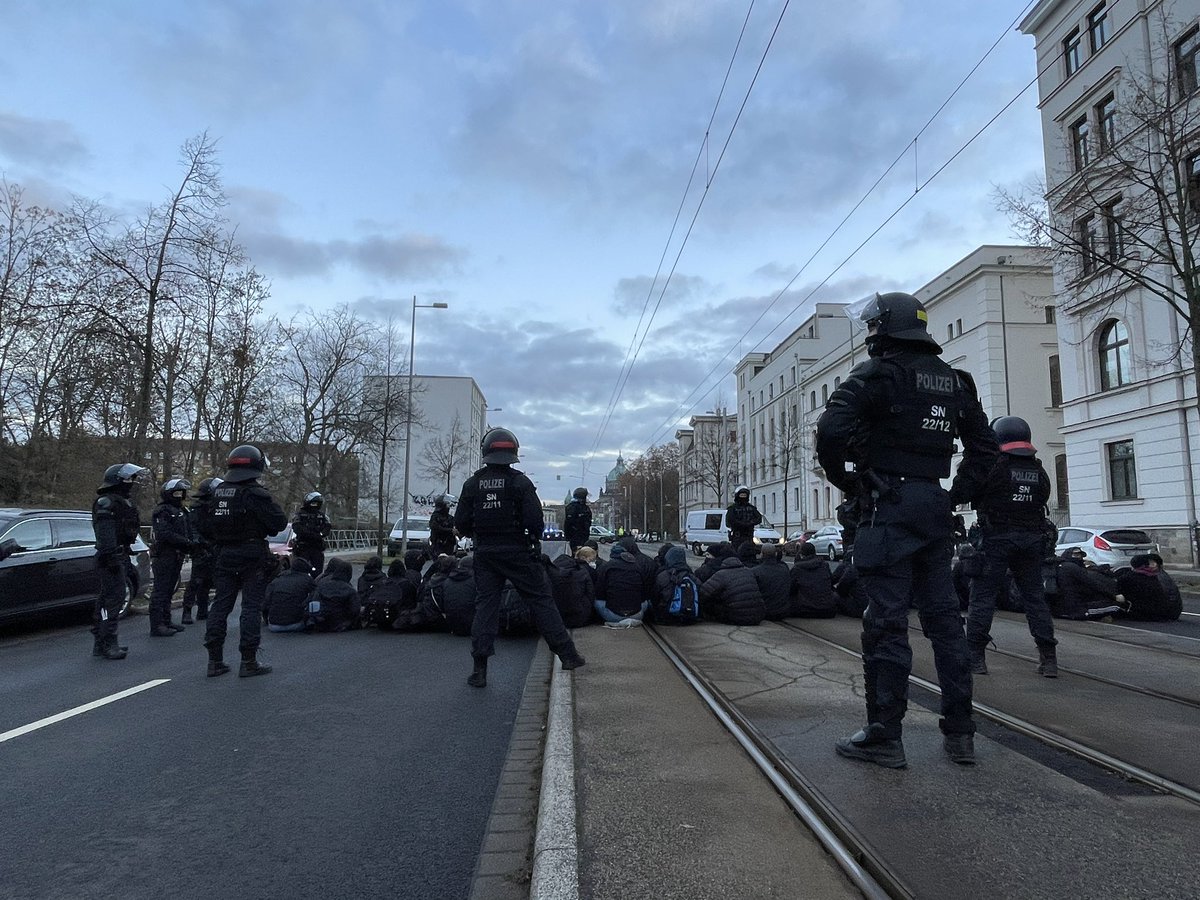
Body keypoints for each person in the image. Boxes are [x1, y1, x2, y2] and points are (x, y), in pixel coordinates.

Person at [816, 291, 998, 768]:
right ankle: (961, 734)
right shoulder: (956, 381)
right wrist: (956, 495)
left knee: (886, 625)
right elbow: (985, 447)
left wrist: (849, 481)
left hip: (887, 508)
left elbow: (831, 431)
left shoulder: (877, 374)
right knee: (945, 623)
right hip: (933, 507)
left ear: (882, 329)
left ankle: (885, 736)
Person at [454, 427, 585, 687]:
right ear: (514, 453)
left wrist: (481, 534)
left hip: (486, 554)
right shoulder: (521, 483)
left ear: (485, 453)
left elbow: (461, 523)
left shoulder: (473, 484)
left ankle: (479, 669)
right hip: (519, 553)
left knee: (486, 607)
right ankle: (568, 655)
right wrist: (527, 538)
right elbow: (535, 522)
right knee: (541, 601)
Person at [961, 416, 1059, 677]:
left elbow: (970, 493)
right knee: (1035, 600)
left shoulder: (993, 467)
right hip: (1031, 541)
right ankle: (1048, 658)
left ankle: (976, 658)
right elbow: (1043, 497)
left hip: (995, 540)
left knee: (982, 598)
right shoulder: (1038, 470)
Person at [199, 444, 287, 678]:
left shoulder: (216, 492)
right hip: (251, 554)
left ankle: (214, 661)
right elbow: (278, 523)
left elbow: (204, 525)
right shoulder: (255, 494)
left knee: (220, 605)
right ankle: (248, 661)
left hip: (224, 554)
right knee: (250, 607)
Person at [90, 463, 149, 660]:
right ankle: (108, 642)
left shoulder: (121, 502)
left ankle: (101, 641)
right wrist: (112, 557)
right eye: (128, 479)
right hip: (110, 557)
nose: (131, 482)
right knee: (112, 601)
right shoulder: (106, 503)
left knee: (109, 599)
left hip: (119, 555)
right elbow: (106, 536)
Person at [146, 477, 195, 636]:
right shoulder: (163, 511)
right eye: (176, 493)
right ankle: (157, 624)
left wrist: (191, 544)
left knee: (170, 589)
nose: (180, 496)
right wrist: (186, 542)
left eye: (181, 492)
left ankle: (166, 620)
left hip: (177, 555)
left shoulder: (182, 510)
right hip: (164, 555)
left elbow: (188, 529)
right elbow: (164, 534)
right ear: (168, 494)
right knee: (161, 590)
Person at [182, 477, 221, 624]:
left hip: (214, 546)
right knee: (196, 581)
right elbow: (192, 528)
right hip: (201, 548)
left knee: (208, 581)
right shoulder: (197, 508)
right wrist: (199, 544)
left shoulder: (217, 507)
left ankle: (203, 611)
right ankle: (187, 611)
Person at [1054, 548, 1127, 619]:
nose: (1080, 557)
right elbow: (1093, 584)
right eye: (1076, 555)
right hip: (1075, 610)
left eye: (1080, 555)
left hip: (1058, 609)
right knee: (1117, 606)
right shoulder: (1074, 568)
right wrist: (1114, 596)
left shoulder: (1059, 566)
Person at [698, 548, 765, 625]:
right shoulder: (748, 571)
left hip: (736, 617)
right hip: (758, 616)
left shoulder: (721, 574)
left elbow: (703, 593)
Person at [595, 541, 650, 625]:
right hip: (637, 614)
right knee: (647, 602)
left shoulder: (606, 567)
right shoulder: (637, 567)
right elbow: (645, 593)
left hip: (612, 616)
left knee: (596, 601)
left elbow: (599, 592)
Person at [307, 558, 361, 632]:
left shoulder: (322, 584)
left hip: (323, 620)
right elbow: (355, 609)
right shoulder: (349, 589)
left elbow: (314, 600)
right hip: (340, 621)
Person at [264, 557, 315, 632]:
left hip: (274, 625)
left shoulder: (276, 580)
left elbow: (266, 602)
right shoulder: (307, 579)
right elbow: (317, 595)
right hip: (296, 623)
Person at [789, 542, 838, 618]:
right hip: (827, 609)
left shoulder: (797, 569)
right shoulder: (824, 565)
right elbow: (830, 583)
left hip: (805, 609)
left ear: (801, 555)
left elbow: (790, 589)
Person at [291, 492, 331, 575]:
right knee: (300, 571)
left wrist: (319, 535)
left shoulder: (322, 516)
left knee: (317, 572)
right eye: (313, 503)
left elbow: (327, 528)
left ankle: (314, 585)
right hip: (302, 547)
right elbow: (297, 528)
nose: (314, 505)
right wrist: (313, 535)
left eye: (316, 503)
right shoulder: (300, 515)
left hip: (317, 547)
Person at [753, 543, 792, 620]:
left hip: (766, 611)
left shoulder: (756, 571)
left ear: (762, 554)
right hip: (783, 611)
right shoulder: (784, 569)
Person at [1147, 553, 1184, 620]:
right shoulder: (1162, 575)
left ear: (1154, 564)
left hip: (1168, 613)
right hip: (1173, 611)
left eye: (1147, 564)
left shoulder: (1158, 577)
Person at [564, 487, 592, 552]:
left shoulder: (585, 507)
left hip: (583, 536)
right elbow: (568, 523)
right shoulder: (572, 507)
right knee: (577, 554)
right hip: (576, 536)